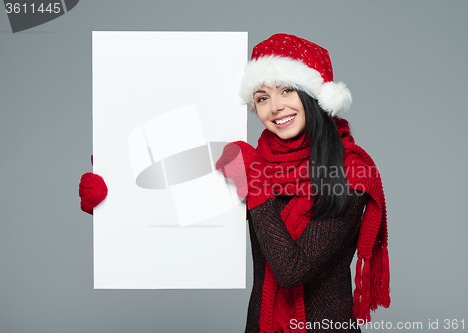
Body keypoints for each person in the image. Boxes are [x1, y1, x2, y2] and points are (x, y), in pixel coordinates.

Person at [79, 33, 390, 333]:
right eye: (262, 98)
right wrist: (115, 201)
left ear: (314, 96)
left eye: (286, 91)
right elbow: (190, 218)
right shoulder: (257, 164)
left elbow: (292, 270)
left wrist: (254, 182)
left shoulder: (351, 174)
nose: (275, 107)